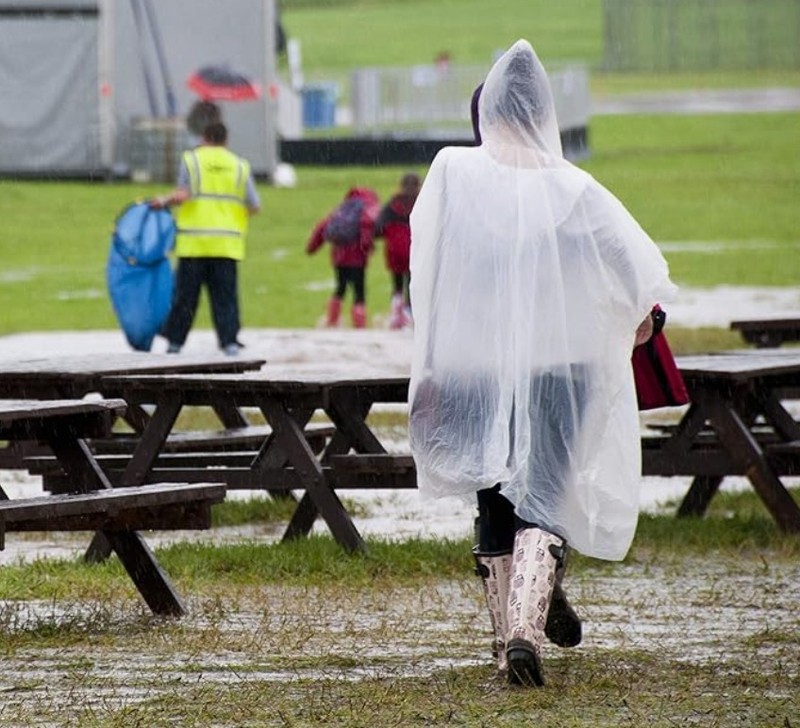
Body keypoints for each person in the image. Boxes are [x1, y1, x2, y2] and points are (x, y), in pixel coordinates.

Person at [408, 39, 676, 688]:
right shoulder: (576, 189)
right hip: (562, 368)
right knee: (546, 497)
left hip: (474, 365)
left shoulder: (452, 172)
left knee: (493, 499)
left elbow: (428, 267)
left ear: (488, 110)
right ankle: (530, 628)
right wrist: (642, 319)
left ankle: (505, 648)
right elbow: (637, 271)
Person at [151, 121, 261, 355]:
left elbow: (182, 195)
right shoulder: (239, 165)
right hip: (226, 245)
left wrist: (163, 201)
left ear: (204, 137)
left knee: (185, 298)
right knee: (225, 299)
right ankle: (229, 342)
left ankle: (175, 343)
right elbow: (254, 205)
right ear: (225, 140)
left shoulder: (192, 161)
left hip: (194, 245)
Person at [306, 187, 380, 328]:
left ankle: (332, 320)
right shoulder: (365, 211)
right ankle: (359, 324)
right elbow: (366, 233)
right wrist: (368, 249)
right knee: (359, 290)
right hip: (358, 259)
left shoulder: (342, 209)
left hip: (339, 258)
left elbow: (323, 227)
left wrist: (312, 248)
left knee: (340, 287)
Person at [374, 172, 421, 329]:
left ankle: (396, 314)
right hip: (414, 249)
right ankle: (410, 314)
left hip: (394, 250)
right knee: (412, 282)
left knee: (397, 283)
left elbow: (378, 226)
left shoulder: (393, 204)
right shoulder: (421, 202)